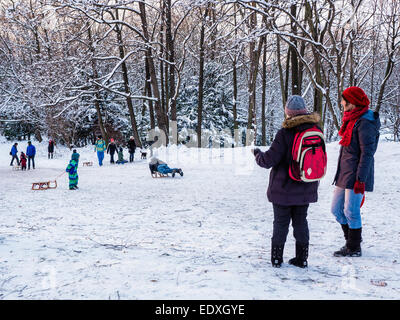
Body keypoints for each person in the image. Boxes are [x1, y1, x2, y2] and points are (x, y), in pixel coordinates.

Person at [252, 95, 321, 268]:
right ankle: (302, 258)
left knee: (281, 224)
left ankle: (276, 258)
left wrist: (258, 155)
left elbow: (269, 160)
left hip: (284, 189)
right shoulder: (315, 130)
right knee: (301, 223)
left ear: (288, 112)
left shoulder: (285, 132)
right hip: (307, 185)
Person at [331, 86, 380, 257]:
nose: (341, 103)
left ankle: (354, 247)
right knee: (336, 210)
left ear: (352, 103)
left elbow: (367, 154)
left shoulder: (365, 122)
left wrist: (361, 179)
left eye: (344, 100)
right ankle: (351, 241)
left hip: (357, 174)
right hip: (345, 172)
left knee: (351, 211)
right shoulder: (351, 119)